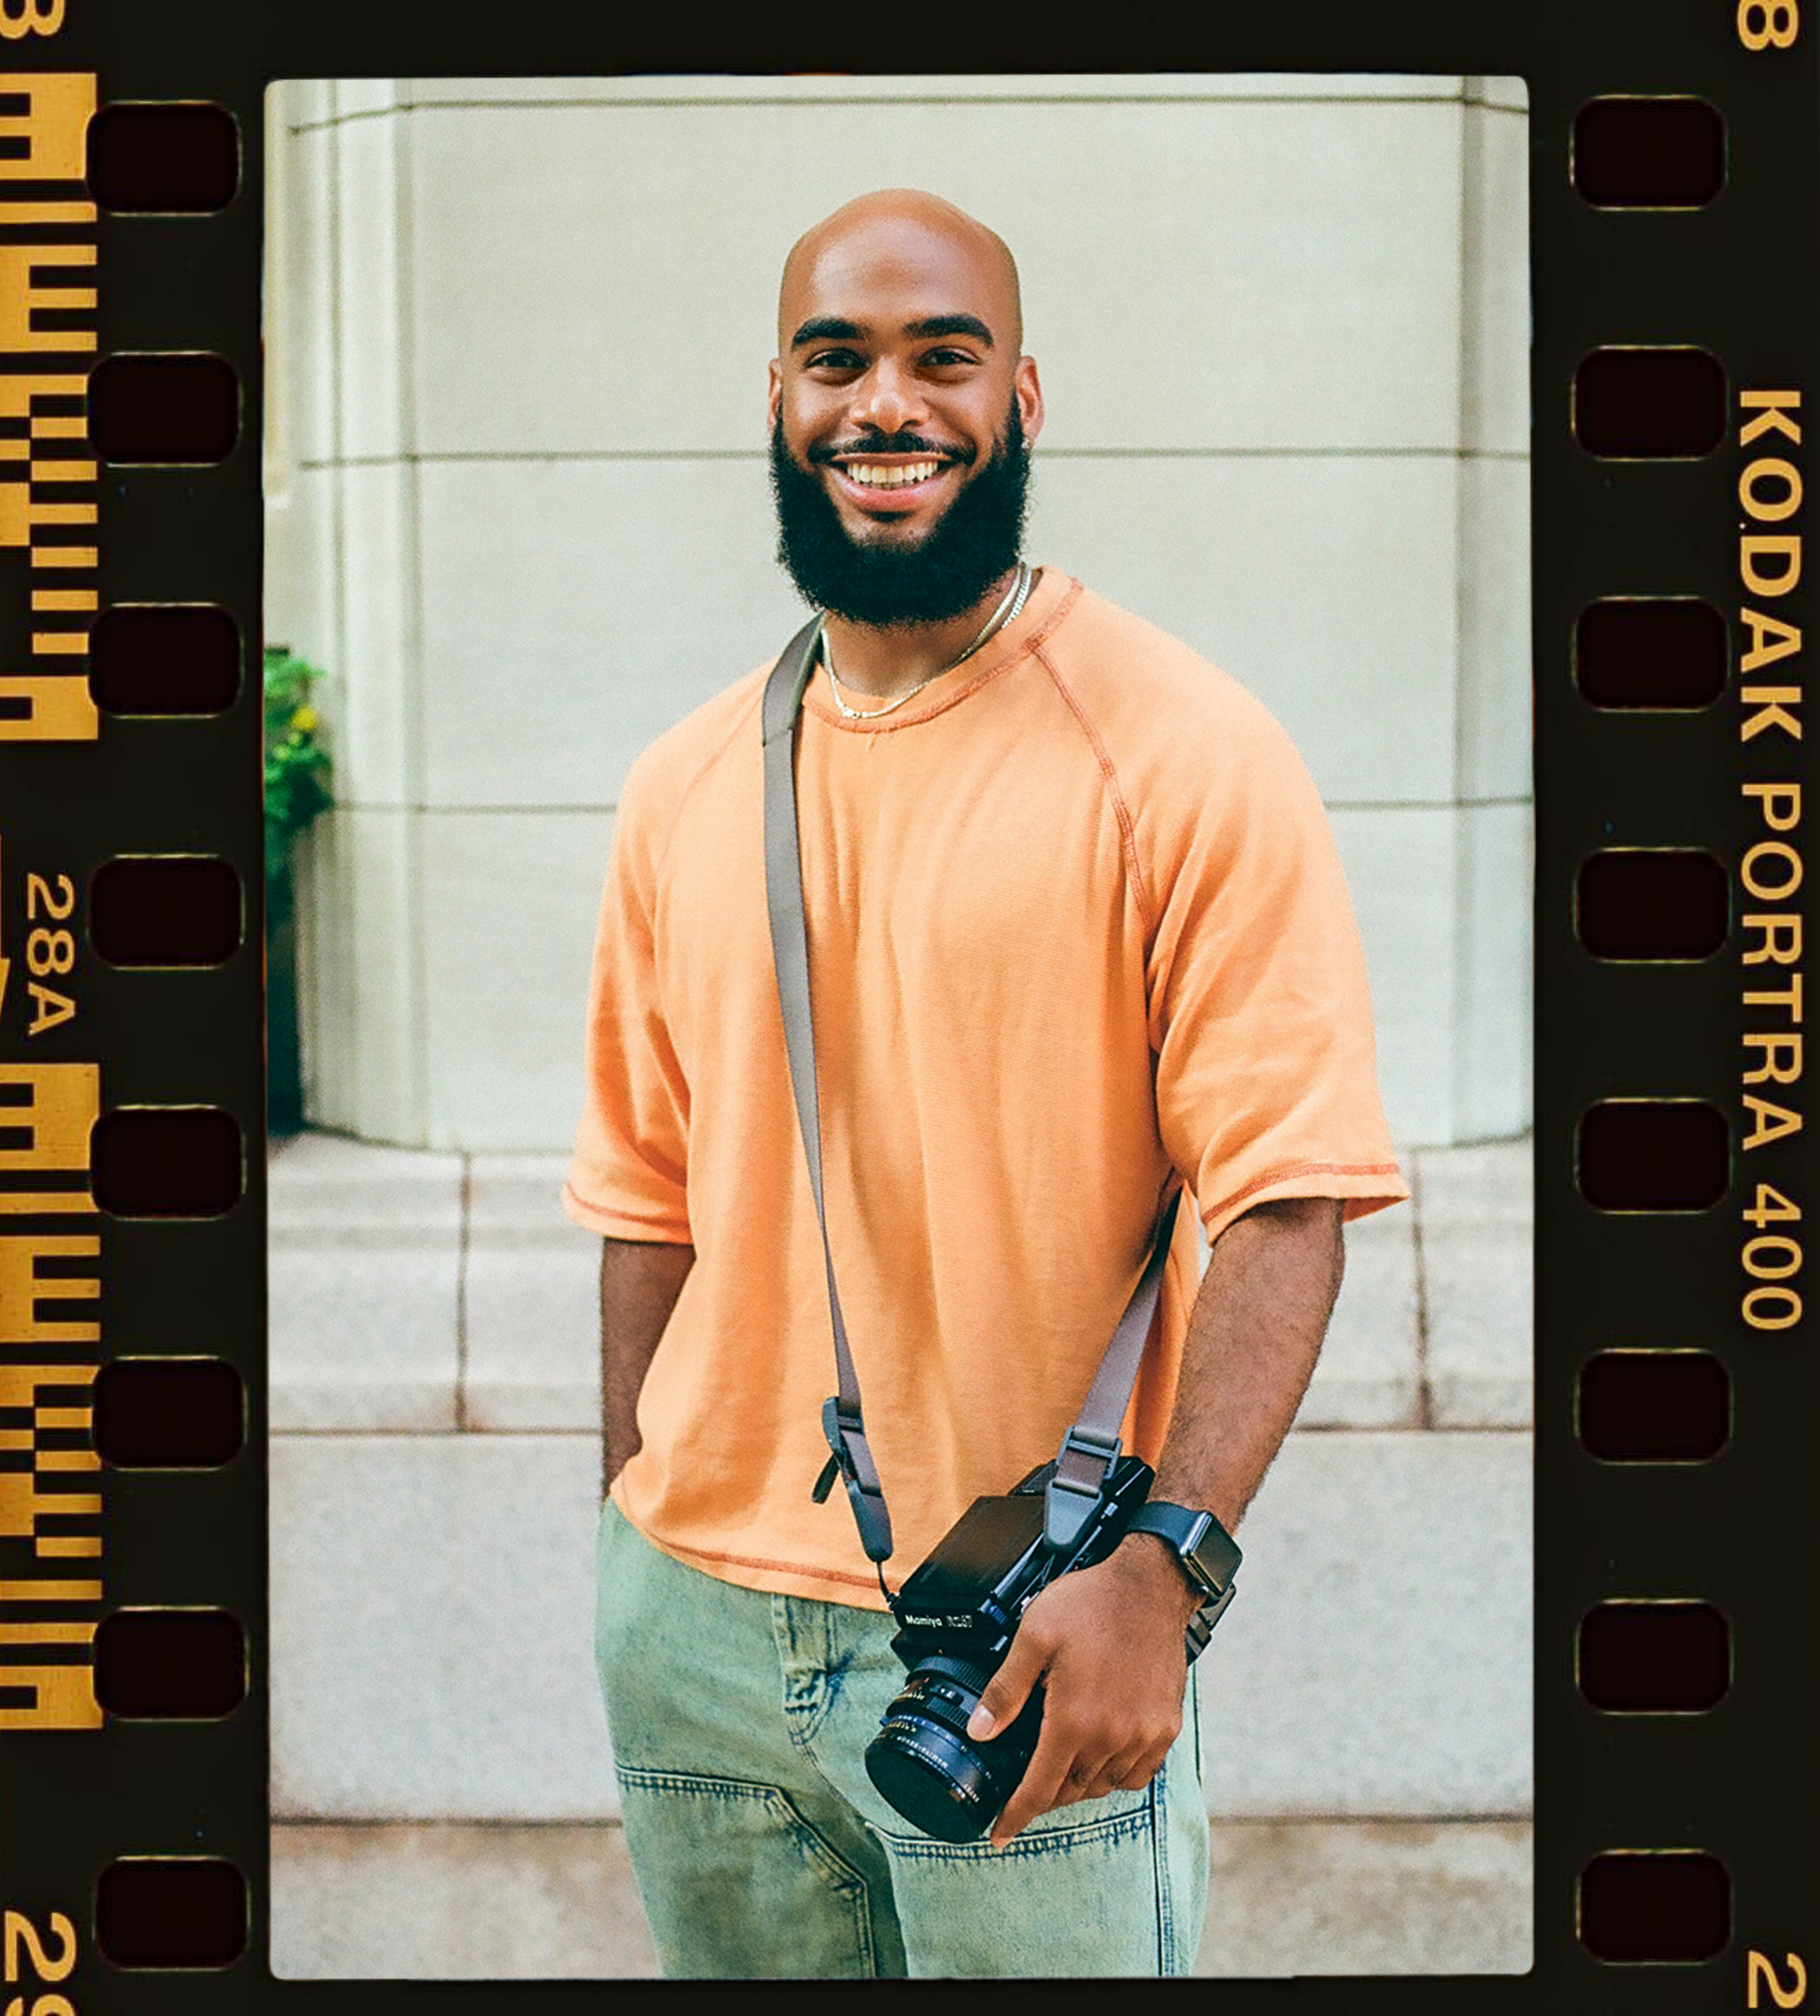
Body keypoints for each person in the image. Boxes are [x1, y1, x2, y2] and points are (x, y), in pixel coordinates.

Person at [563, 188, 1408, 1979]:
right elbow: (649, 1200)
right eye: (835, 358)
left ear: (1023, 397)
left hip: (1027, 1639)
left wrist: (1162, 1574)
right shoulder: (682, 783)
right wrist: (632, 1539)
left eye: (942, 358)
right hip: (694, 1644)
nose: (889, 403)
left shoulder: (1186, 754)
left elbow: (1289, 1198)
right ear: (778, 404)